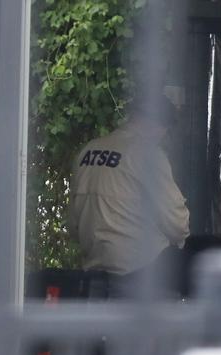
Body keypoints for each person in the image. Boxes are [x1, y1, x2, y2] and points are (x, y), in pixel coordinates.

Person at [69, 94, 190, 299]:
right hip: (142, 274)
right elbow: (178, 225)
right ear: (159, 125)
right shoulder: (148, 155)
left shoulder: (89, 150)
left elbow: (73, 225)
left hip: (94, 275)